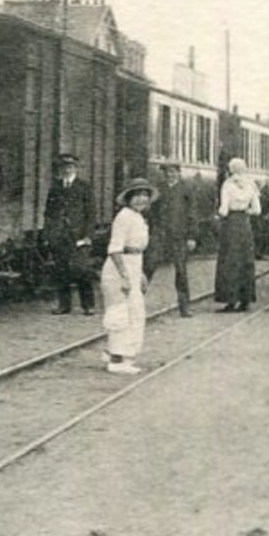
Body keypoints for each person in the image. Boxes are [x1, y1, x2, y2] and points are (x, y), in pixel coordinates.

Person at [100, 178, 154, 374]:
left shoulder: (137, 217)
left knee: (133, 312)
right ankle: (117, 360)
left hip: (132, 266)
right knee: (122, 313)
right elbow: (115, 249)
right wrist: (124, 276)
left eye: (145, 196)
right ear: (128, 198)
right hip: (118, 269)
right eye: (137, 195)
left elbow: (137, 250)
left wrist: (138, 275)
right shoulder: (124, 217)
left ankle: (116, 353)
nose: (141, 199)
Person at [45, 152, 96, 315]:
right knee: (61, 270)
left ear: (76, 168)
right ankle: (64, 305)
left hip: (79, 235)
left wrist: (88, 235)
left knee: (82, 270)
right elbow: (48, 213)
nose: (67, 170)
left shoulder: (84, 187)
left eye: (70, 167)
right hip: (60, 235)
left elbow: (91, 214)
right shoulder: (55, 187)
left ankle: (88, 305)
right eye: (64, 167)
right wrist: (50, 233)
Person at [144, 163, 196, 317]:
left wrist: (192, 236)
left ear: (178, 173)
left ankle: (184, 306)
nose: (170, 175)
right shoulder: (158, 189)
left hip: (179, 235)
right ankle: (136, 300)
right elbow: (150, 211)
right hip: (160, 233)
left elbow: (192, 214)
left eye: (173, 172)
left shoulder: (186, 189)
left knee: (181, 271)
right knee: (149, 265)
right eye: (167, 172)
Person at [213, 157, 260, 312]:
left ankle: (230, 300)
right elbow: (257, 210)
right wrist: (246, 210)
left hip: (231, 224)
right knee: (245, 260)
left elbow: (224, 209)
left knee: (230, 261)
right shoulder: (251, 184)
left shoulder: (227, 185)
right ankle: (245, 299)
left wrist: (218, 214)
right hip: (245, 224)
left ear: (230, 169)